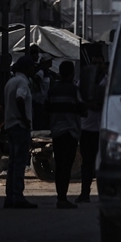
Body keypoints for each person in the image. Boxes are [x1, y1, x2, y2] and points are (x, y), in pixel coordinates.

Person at [47, 61, 84, 209]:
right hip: (70, 132)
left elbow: (46, 109)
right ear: (71, 74)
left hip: (56, 132)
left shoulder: (52, 90)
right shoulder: (74, 90)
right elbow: (82, 110)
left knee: (59, 165)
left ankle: (60, 197)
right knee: (66, 166)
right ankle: (63, 198)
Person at [3, 55, 37, 208]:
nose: (33, 70)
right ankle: (18, 196)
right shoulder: (23, 82)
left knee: (12, 162)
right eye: (31, 67)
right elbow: (20, 98)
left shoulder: (10, 82)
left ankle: (10, 196)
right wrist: (24, 119)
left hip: (10, 125)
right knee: (19, 162)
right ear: (26, 68)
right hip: (19, 126)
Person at [76, 68, 105, 203]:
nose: (97, 67)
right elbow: (78, 101)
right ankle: (85, 193)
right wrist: (90, 105)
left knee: (103, 164)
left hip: (103, 129)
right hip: (87, 128)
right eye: (95, 64)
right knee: (87, 163)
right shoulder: (83, 83)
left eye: (99, 64)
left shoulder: (108, 82)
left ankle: (103, 194)